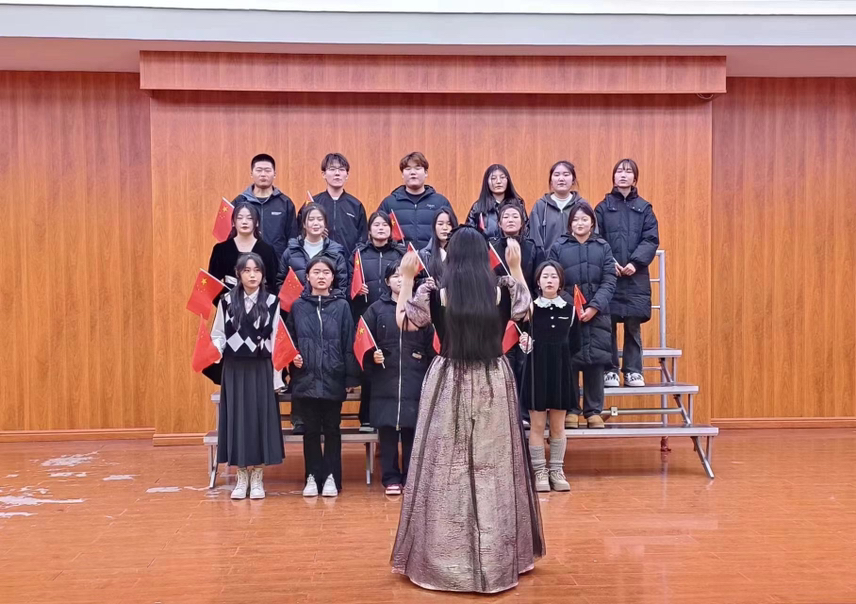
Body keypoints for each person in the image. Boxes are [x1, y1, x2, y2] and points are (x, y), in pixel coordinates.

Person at [391, 226, 544, 594]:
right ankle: (497, 556)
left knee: (447, 468)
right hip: (494, 379)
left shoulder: (436, 293)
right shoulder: (502, 290)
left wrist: (407, 279)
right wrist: (516, 267)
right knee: (495, 468)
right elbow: (527, 310)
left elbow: (404, 321)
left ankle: (446, 559)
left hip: (448, 381)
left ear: (452, 257)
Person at [210, 253, 283, 500]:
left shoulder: (272, 301)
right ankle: (241, 476)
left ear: (263, 274)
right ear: (238, 274)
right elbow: (218, 334)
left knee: (260, 419)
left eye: (257, 270)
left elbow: (276, 339)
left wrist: (277, 377)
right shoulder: (227, 301)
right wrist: (215, 350)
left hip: (261, 368)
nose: (252, 275)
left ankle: (258, 477)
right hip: (234, 368)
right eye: (247, 270)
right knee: (237, 420)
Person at [286, 256, 360, 498]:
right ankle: (312, 476)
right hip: (305, 378)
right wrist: (293, 359)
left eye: (326, 272)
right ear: (307, 277)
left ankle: (331, 477)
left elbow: (349, 343)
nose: (321, 276)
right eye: (316, 272)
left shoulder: (342, 306)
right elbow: (290, 341)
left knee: (332, 429)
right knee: (310, 431)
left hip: (333, 376)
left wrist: (350, 378)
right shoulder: (298, 306)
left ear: (332, 277)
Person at [360, 261, 435, 495]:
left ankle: (411, 477)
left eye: (404, 275)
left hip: (415, 377)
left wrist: (424, 359)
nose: (400, 280)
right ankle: (391, 478)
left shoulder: (420, 309)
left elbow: (432, 345)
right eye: (395, 276)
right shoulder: (375, 310)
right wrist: (372, 356)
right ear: (386, 282)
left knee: (413, 431)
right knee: (388, 433)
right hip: (386, 379)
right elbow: (363, 342)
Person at [548, 202, 616, 429]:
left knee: (596, 361)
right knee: (570, 362)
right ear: (570, 224)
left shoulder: (603, 247)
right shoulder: (558, 247)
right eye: (575, 219)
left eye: (584, 219)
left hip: (598, 314)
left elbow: (609, 280)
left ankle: (593, 411)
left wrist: (594, 307)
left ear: (592, 223)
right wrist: (573, 308)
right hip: (568, 314)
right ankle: (571, 410)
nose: (580, 223)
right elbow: (553, 279)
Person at [595, 159, 660, 388]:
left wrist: (636, 262)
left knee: (633, 325)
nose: (623, 175)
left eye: (628, 171)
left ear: (635, 178)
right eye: (619, 171)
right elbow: (597, 237)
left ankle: (633, 371)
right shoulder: (602, 207)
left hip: (635, 276)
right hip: (610, 275)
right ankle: (610, 370)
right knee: (608, 323)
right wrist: (609, 261)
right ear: (613, 177)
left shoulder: (644, 208)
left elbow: (650, 239)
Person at [518, 261, 581, 492]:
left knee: (558, 425)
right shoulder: (530, 309)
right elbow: (520, 339)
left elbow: (575, 344)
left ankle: (556, 470)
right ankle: (539, 472)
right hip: (536, 372)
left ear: (560, 281)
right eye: (545, 276)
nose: (549, 280)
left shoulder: (570, 310)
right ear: (538, 281)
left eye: (553, 276)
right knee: (536, 425)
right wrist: (525, 343)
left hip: (561, 372)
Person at [350, 211, 407, 432]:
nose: (381, 228)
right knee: (370, 367)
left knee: (392, 369)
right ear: (369, 230)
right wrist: (355, 290)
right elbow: (347, 284)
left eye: (385, 225)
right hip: (368, 315)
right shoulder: (359, 254)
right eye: (376, 225)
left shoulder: (400, 253)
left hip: (395, 315)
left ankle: (396, 419)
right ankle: (366, 418)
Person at [377, 151, 455, 250]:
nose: (413, 172)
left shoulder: (440, 202)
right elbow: (377, 233)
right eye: (408, 169)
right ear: (402, 174)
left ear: (426, 173)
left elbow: (453, 234)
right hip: (399, 258)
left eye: (417, 168)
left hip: (433, 257)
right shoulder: (389, 203)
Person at [231, 153, 298, 261]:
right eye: (259, 170)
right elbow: (229, 235)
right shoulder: (239, 202)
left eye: (267, 170)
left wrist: (289, 262)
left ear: (274, 174)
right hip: (245, 264)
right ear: (251, 174)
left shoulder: (285, 203)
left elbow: (292, 238)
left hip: (277, 263)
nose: (263, 174)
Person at [275, 203, 349, 296]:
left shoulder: (336, 253)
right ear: (304, 224)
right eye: (311, 219)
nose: (316, 223)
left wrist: (328, 299)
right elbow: (281, 281)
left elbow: (341, 287)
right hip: (298, 303)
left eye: (320, 219)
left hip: (327, 303)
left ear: (325, 224)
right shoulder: (291, 251)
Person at [208, 202, 279, 295]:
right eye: (240, 218)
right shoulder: (221, 249)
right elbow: (212, 284)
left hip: (260, 301)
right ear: (233, 222)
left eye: (250, 218)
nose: (244, 222)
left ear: (257, 222)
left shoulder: (267, 250)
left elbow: (273, 284)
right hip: (229, 300)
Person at [311, 153, 367, 255]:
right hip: (318, 261)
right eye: (332, 169)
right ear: (323, 174)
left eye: (341, 169)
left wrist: (352, 260)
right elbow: (301, 234)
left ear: (347, 175)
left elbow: (363, 240)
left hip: (348, 262)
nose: (337, 173)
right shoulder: (313, 203)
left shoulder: (356, 205)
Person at [530, 160, 588, 252]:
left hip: (577, 258)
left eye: (566, 175)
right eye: (556, 175)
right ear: (551, 181)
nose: (561, 179)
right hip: (548, 260)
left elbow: (592, 235)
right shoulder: (540, 206)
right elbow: (534, 239)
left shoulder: (582, 205)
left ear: (573, 180)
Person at [466, 164, 527, 239]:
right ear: (486, 182)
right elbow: (469, 235)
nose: (498, 181)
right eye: (493, 178)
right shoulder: (478, 207)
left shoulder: (518, 204)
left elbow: (526, 232)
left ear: (508, 180)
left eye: (502, 177)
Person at [417, 208, 457, 285]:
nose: (445, 228)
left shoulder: (461, 253)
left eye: (449, 224)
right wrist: (425, 282)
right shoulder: (424, 255)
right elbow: (415, 281)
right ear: (434, 227)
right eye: (440, 224)